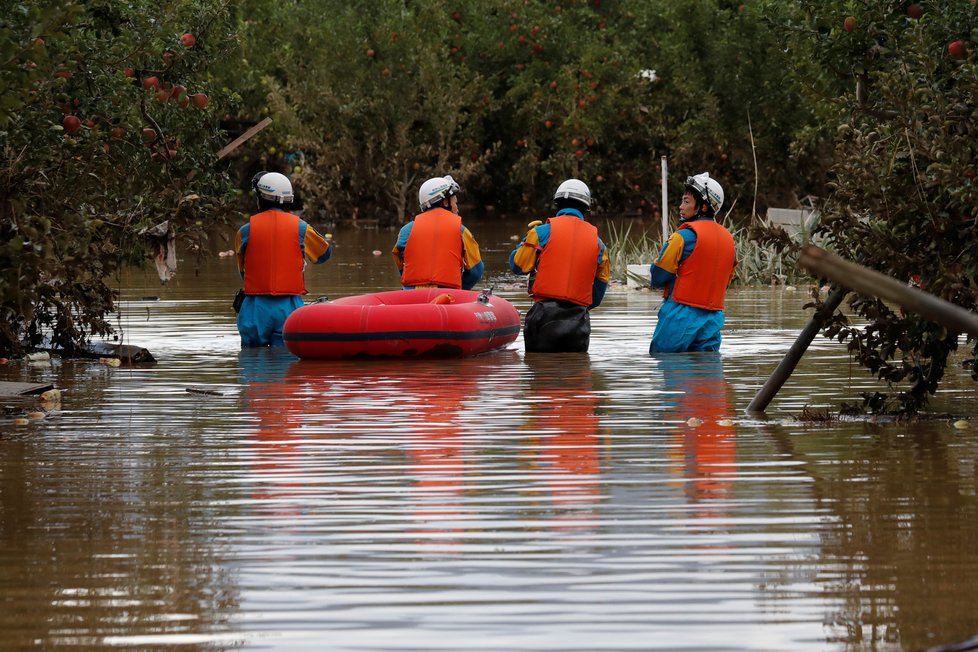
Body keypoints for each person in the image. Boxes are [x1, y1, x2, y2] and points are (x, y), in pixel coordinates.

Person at [509, 179, 611, 353]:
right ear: (586, 209)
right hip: (578, 320)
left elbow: (517, 266)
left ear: (557, 204)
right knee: (576, 375)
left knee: (540, 373)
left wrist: (526, 241)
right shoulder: (599, 245)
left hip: (543, 316)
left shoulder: (540, 233)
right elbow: (598, 293)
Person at [235, 171, 332, 347]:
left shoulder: (244, 232)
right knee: (287, 363)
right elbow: (323, 256)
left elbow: (243, 273)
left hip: (254, 308)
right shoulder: (302, 228)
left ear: (260, 198)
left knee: (251, 364)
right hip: (289, 308)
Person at [649, 172, 736, 353]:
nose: (681, 207)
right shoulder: (729, 241)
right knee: (708, 375)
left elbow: (658, 276)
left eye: (686, 202)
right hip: (713, 319)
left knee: (668, 368)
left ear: (704, 206)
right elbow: (726, 282)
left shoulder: (682, 237)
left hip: (679, 315)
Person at [392, 175, 484, 290]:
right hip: (448, 297)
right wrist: (462, 288)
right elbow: (476, 271)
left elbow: (402, 266)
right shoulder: (461, 230)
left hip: (412, 298)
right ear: (445, 202)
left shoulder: (405, 231)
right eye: (455, 203)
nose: (457, 208)